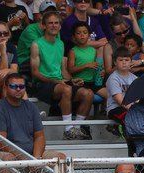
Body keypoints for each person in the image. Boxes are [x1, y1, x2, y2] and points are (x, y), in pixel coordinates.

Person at [30, 11, 95, 140]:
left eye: (56, 23)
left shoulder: (60, 43)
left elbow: (63, 69)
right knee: (66, 89)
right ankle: (68, 129)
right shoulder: (36, 44)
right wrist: (56, 81)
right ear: (43, 26)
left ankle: (78, 128)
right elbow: (35, 72)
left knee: (88, 94)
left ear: (60, 26)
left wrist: (72, 80)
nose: (54, 26)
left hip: (59, 83)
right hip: (42, 84)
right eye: (50, 23)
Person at [0, 73, 64, 173]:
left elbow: (39, 136)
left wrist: (36, 158)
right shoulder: (0, 107)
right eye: (14, 86)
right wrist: (26, 158)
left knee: (60, 158)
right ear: (6, 88)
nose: (18, 89)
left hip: (31, 155)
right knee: (7, 158)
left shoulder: (31, 107)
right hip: (8, 154)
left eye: (21, 86)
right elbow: (2, 142)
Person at [67, 21, 107, 100]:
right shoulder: (73, 51)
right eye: (78, 33)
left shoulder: (93, 50)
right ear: (74, 36)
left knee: (110, 95)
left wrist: (103, 70)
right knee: (88, 95)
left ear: (89, 35)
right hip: (80, 83)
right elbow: (70, 70)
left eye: (85, 33)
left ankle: (105, 111)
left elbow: (97, 66)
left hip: (94, 82)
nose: (82, 35)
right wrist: (86, 65)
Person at [105, 46, 136, 120]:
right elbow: (120, 101)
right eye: (121, 60)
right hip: (115, 108)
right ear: (115, 62)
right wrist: (135, 111)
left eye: (127, 60)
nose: (124, 62)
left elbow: (137, 97)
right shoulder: (113, 78)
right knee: (130, 118)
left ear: (131, 62)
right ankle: (119, 129)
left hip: (132, 107)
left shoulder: (135, 78)